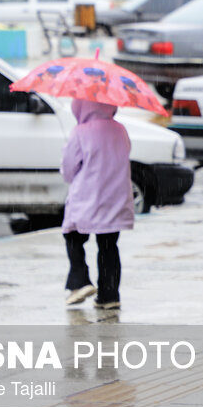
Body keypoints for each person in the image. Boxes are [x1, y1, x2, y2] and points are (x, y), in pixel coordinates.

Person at [61, 100, 134, 309]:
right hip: (116, 197)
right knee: (108, 246)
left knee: (73, 236)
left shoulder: (80, 132)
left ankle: (80, 281)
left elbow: (68, 168)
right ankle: (109, 296)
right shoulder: (120, 130)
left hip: (87, 197)